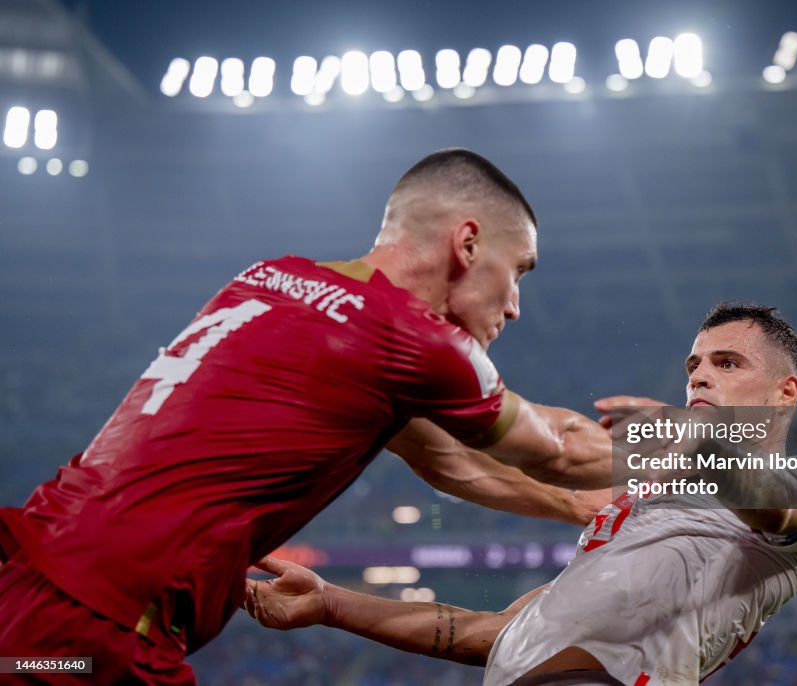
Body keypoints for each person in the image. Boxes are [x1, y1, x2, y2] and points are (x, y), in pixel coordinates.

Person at [0, 149, 615, 684]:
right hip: (93, 629)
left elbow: (448, 458)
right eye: (518, 272)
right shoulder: (410, 337)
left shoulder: (270, 280)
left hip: (34, 582)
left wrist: (574, 507)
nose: (515, 305)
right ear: (468, 243)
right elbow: (561, 445)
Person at [245, 304, 797, 686]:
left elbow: (772, 501)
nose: (699, 375)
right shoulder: (630, 523)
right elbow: (494, 636)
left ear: (784, 392)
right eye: (693, 365)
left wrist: (692, 438)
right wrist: (332, 605)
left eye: (728, 362)